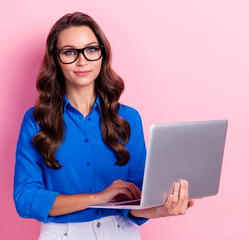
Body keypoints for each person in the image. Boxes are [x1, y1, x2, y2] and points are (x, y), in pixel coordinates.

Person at [13, 12, 195, 240]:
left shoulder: (128, 118)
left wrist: (161, 209)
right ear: (56, 59)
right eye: (70, 52)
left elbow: (137, 197)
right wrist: (97, 197)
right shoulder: (37, 120)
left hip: (121, 233)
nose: (82, 61)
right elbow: (25, 197)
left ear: (102, 53)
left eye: (91, 49)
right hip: (63, 234)